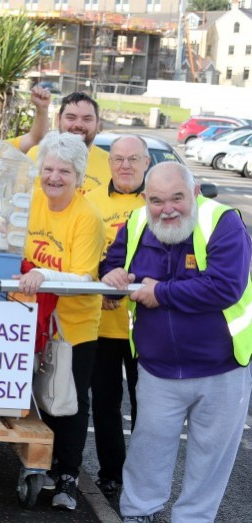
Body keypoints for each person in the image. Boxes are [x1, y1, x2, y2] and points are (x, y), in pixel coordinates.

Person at [101, 162, 252, 523]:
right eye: (156, 201)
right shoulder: (137, 223)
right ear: (144, 199)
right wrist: (111, 276)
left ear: (195, 192)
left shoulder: (223, 222)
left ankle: (193, 519)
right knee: (148, 447)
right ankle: (139, 512)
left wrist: (161, 293)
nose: (167, 209)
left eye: (177, 198)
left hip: (222, 367)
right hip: (158, 367)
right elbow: (112, 265)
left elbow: (226, 287)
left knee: (211, 455)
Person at [17, 131, 104, 511]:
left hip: (73, 325)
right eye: (48, 169)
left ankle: (68, 474)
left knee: (67, 402)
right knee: (39, 395)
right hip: (33, 317)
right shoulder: (32, 200)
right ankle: (42, 463)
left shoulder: (87, 218)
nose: (54, 177)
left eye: (64, 171)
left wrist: (42, 273)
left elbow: (84, 277)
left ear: (79, 177)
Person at [85, 134, 149, 498]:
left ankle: (141, 475)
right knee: (106, 403)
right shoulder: (90, 201)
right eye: (118, 159)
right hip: (103, 323)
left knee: (148, 407)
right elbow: (83, 256)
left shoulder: (159, 203)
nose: (125, 165)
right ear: (109, 165)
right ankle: (112, 472)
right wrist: (100, 285)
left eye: (133, 159)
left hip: (146, 328)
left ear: (146, 164)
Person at [23, 92, 110, 194]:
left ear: (97, 123)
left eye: (87, 119)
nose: (78, 124)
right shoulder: (35, 155)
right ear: (58, 119)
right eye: (71, 118)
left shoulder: (111, 164)